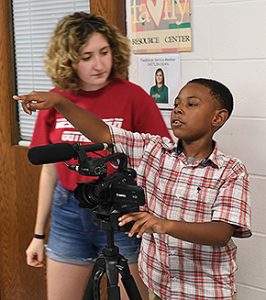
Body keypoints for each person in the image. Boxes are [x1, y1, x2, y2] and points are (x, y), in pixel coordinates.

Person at [15, 78, 252, 300]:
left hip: (204, 290)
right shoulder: (153, 150)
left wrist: (163, 225)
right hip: (158, 284)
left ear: (218, 118)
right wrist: (60, 102)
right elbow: (103, 132)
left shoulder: (230, 170)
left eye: (191, 104)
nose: (178, 110)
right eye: (177, 103)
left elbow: (221, 233)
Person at [21, 12, 171, 300]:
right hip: (69, 211)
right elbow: (50, 171)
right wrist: (38, 235)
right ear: (68, 60)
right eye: (86, 56)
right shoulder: (56, 99)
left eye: (104, 52)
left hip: (124, 214)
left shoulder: (134, 96)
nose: (99, 64)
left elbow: (162, 159)